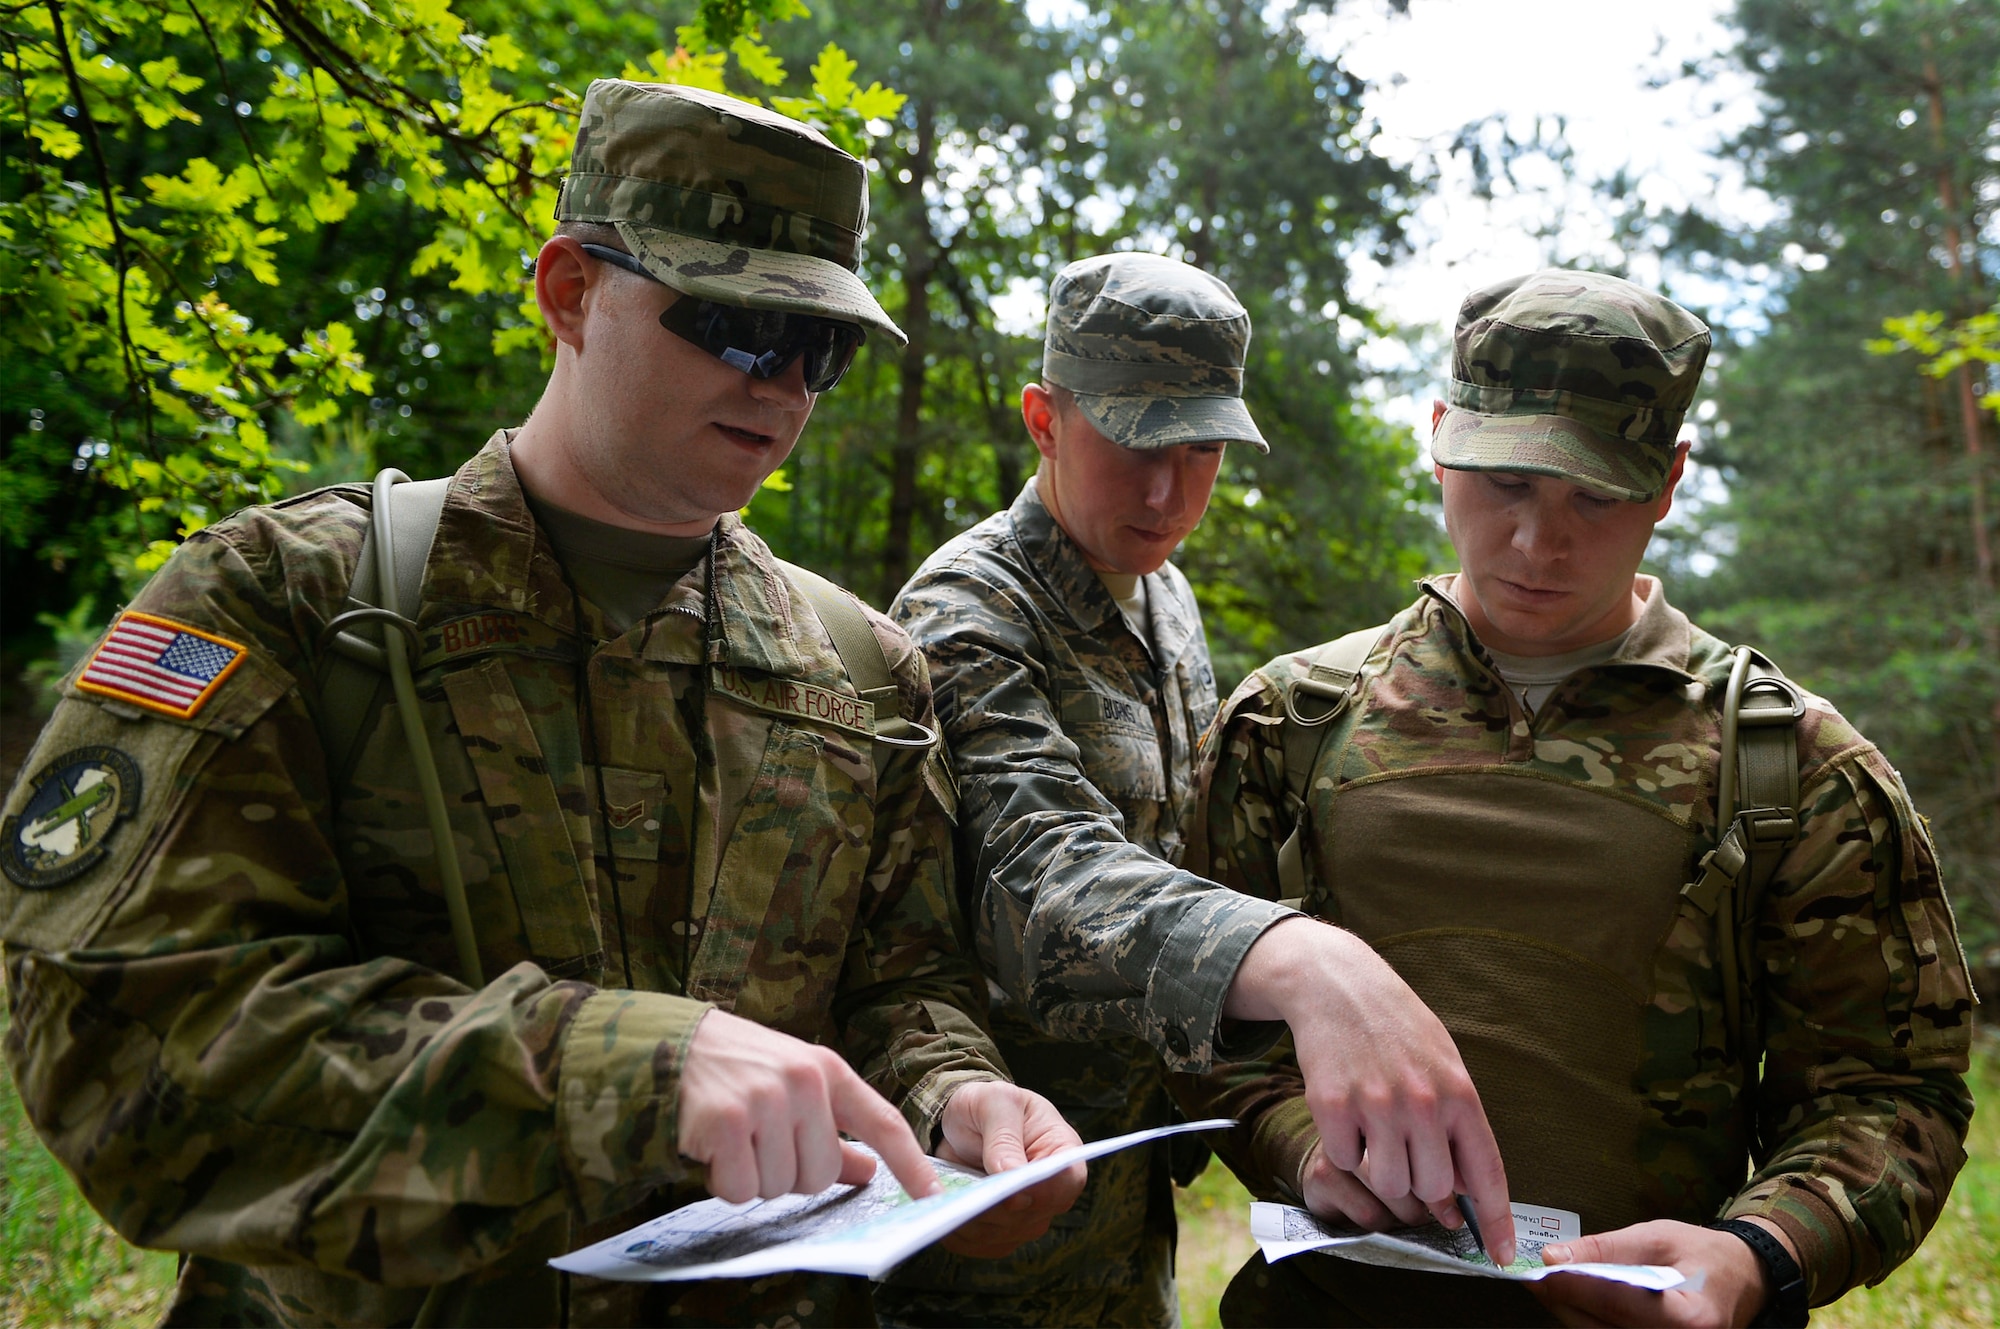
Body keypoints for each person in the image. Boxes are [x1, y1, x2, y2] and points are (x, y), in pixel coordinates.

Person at [0, 79, 1085, 1328]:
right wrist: (608, 1070)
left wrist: (955, 1093)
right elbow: (116, 1034)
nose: (783, 385)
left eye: (820, 348)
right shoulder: (297, 601)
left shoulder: (862, 668)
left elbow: (900, 988)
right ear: (570, 291)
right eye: (735, 326)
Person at [1178, 268, 1977, 1328]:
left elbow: (1891, 1093)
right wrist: (1299, 1144)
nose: (1537, 542)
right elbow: (1193, 1016)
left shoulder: (1789, 764)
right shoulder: (1288, 725)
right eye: (1504, 485)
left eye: (1593, 498)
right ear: (1437, 439)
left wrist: (1757, 1253)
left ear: (1668, 480)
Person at [876, 253, 1268, 1325]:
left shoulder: (1164, 595)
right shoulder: (968, 610)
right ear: (1043, 420)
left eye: (1199, 452)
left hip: (1127, 1188)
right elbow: (1039, 863)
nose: (1164, 491)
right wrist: (1283, 958)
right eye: (1134, 443)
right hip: (990, 1195)